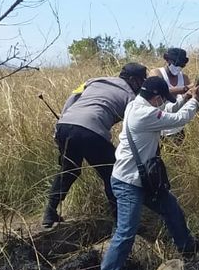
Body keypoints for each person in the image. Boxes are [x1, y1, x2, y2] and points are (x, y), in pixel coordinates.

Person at [96, 76, 199, 270]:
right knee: (126, 231)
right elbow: (176, 120)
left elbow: (168, 111)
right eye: (162, 99)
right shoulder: (143, 114)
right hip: (129, 183)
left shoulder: (136, 104)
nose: (163, 102)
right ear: (155, 97)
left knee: (171, 209)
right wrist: (194, 99)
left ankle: (188, 249)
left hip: (142, 180)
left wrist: (186, 96)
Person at [42, 62, 148, 229]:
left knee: (69, 170)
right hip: (91, 130)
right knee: (113, 174)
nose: (142, 85)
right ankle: (121, 222)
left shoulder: (94, 81)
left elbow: (72, 99)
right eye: (142, 81)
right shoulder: (131, 97)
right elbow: (134, 125)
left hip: (65, 125)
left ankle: (49, 213)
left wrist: (61, 124)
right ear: (134, 80)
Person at [148, 48, 191, 138]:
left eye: (181, 65)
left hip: (178, 127)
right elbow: (159, 91)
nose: (178, 67)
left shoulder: (184, 78)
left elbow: (189, 96)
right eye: (176, 63)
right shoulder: (156, 73)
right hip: (159, 129)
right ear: (167, 60)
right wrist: (185, 89)